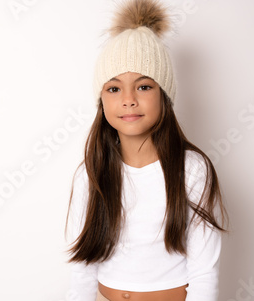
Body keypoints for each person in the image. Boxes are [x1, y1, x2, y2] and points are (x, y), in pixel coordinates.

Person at [63, 0, 229, 300]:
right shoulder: (92, 174)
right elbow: (82, 271)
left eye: (143, 86)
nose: (128, 99)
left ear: (164, 95)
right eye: (114, 88)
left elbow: (204, 273)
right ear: (102, 101)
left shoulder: (191, 169)